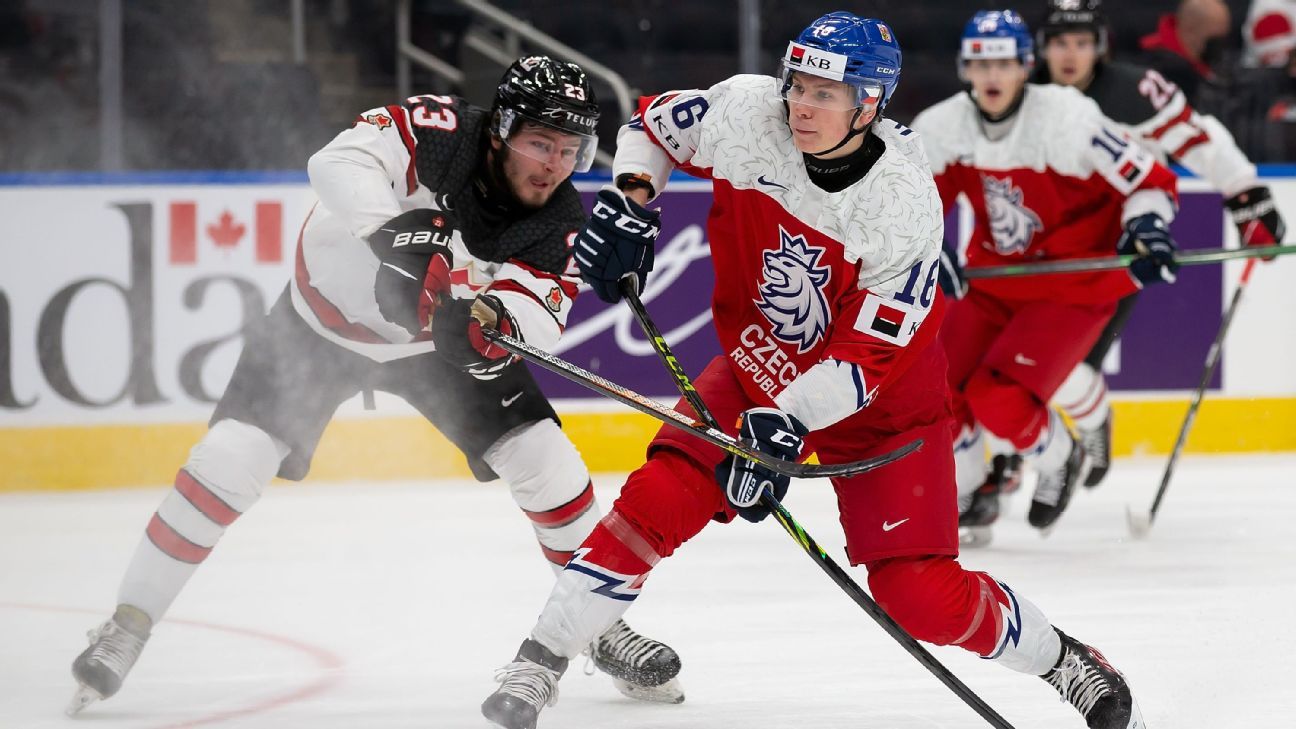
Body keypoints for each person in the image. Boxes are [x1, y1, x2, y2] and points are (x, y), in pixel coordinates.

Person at [479, 12, 1144, 729]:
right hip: (757, 365)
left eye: (826, 94)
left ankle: (1066, 660)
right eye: (798, 83)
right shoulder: (746, 111)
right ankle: (540, 657)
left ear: (870, 102)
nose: (801, 104)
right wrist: (635, 197)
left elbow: (872, 353)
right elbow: (653, 126)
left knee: (920, 594)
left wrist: (788, 424)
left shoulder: (901, 199)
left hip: (882, 403)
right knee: (660, 494)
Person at [67, 56, 683, 716]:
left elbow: (534, 315)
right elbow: (334, 163)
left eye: (569, 148)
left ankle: (596, 624)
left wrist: (488, 324)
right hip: (318, 330)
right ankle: (127, 623)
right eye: (540, 142)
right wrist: (392, 235)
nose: (554, 163)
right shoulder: (441, 133)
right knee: (228, 461)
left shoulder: (557, 220)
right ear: (500, 130)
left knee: (548, 462)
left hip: (434, 351)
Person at [912, 9, 1183, 545]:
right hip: (993, 282)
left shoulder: (1069, 119)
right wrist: (927, 244)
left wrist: (1147, 227)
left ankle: (1061, 455)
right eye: (980, 63)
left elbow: (1150, 182)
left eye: (1004, 63)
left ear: (1025, 66)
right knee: (934, 388)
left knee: (999, 398)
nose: (991, 76)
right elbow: (910, 205)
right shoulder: (940, 127)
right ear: (965, 67)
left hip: (1073, 288)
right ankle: (968, 495)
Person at [1026, 0, 1285, 493]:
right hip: (1039, 253)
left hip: (1119, 249)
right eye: (1060, 42)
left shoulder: (1135, 91)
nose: (1070, 55)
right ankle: (1004, 469)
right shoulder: (1023, 93)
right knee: (1003, 372)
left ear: (1100, 45)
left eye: (1082, 43)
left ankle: (1090, 422)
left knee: (1069, 372)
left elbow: (1199, 138)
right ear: (1042, 48)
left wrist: (1247, 195)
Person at [1139, 0, 1232, 103]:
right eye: (1215, 41)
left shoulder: (1210, 64)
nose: (1220, 48)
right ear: (1191, 30)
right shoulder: (1163, 69)